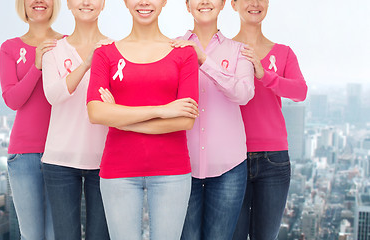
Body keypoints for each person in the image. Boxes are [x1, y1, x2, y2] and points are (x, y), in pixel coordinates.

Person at [86, 0, 199, 239]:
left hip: (172, 171)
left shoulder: (184, 53)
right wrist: (162, 110)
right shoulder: (104, 53)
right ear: (126, 2)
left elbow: (185, 120)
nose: (145, 2)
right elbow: (96, 112)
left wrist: (119, 117)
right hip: (118, 171)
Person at [170, 0, 255, 239]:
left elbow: (244, 94)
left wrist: (203, 60)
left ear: (223, 4)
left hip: (229, 167)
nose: (205, 2)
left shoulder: (239, 50)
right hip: (181, 165)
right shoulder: (171, 48)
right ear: (187, 5)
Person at [230, 0, 308, 239]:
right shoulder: (223, 49)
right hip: (231, 159)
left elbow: (300, 92)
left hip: (274, 161)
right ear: (233, 4)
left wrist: (265, 75)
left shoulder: (284, 53)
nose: (254, 3)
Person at [41, 0, 111, 239]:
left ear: (103, 4)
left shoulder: (115, 48)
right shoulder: (53, 50)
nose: (86, 2)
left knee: (100, 236)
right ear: (68, 4)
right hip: (59, 161)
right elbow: (53, 95)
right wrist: (87, 63)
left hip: (105, 161)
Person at [0, 0, 63, 239]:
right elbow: (13, 100)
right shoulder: (10, 48)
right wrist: (36, 66)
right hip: (24, 156)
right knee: (32, 235)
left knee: (57, 234)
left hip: (61, 154)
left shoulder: (67, 43)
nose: (38, 1)